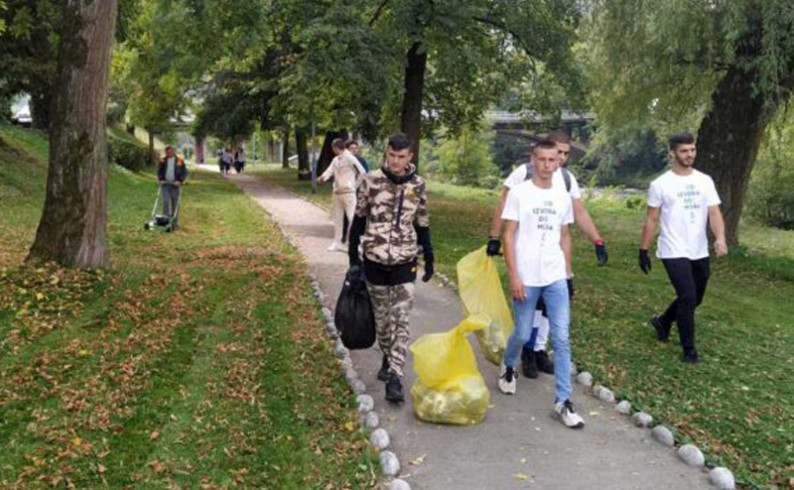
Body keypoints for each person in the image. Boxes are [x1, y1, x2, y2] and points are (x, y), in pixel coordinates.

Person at [487, 130, 607, 379]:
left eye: (564, 154)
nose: (559, 159)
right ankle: (527, 351)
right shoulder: (523, 174)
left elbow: (577, 214)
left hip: (552, 260)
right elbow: (504, 205)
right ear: (539, 155)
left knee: (548, 310)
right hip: (527, 258)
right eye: (556, 152)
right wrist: (494, 237)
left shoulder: (566, 180)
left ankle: (539, 349)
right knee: (530, 310)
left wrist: (597, 239)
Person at [497, 139, 584, 429]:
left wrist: (567, 274)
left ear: (558, 162)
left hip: (555, 275)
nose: (547, 165)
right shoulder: (520, 194)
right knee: (523, 333)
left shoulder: (562, 196)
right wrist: (514, 274)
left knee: (561, 338)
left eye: (552, 160)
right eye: (542, 159)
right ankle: (509, 364)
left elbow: (565, 235)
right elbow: (508, 234)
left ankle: (563, 401)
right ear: (533, 160)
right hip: (527, 276)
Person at [348, 132, 433, 403]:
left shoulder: (418, 185)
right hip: (374, 259)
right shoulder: (370, 181)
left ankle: (395, 376)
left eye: (401, 156)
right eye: (391, 155)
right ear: (386, 153)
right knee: (383, 322)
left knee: (402, 318)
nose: (395, 161)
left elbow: (422, 222)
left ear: (410, 157)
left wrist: (429, 256)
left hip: (405, 260)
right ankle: (388, 354)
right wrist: (353, 261)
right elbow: (358, 221)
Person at [639, 132, 727, 364]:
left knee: (696, 297)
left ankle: (663, 320)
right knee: (687, 296)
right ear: (672, 153)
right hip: (672, 248)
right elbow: (652, 219)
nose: (689, 155)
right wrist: (643, 250)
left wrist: (720, 238)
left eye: (692, 150)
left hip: (698, 248)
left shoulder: (704, 181)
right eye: (684, 151)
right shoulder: (660, 184)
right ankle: (689, 350)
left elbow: (714, 212)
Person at [318, 138, 366, 252]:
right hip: (337, 192)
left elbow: (363, 172)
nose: (332, 150)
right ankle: (337, 242)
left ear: (335, 148)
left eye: (333, 148)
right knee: (338, 219)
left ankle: (353, 243)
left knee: (352, 218)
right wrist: (323, 178)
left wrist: (354, 186)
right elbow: (329, 171)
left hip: (348, 193)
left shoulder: (350, 158)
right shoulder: (335, 159)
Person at [157, 146, 187, 231]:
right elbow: (159, 171)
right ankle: (166, 220)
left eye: (170, 152)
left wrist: (180, 181)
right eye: (167, 152)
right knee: (166, 201)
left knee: (175, 203)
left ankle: (175, 223)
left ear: (173, 151)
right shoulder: (162, 160)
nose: (169, 153)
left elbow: (184, 172)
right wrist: (161, 179)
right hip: (166, 184)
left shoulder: (179, 160)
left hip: (175, 185)